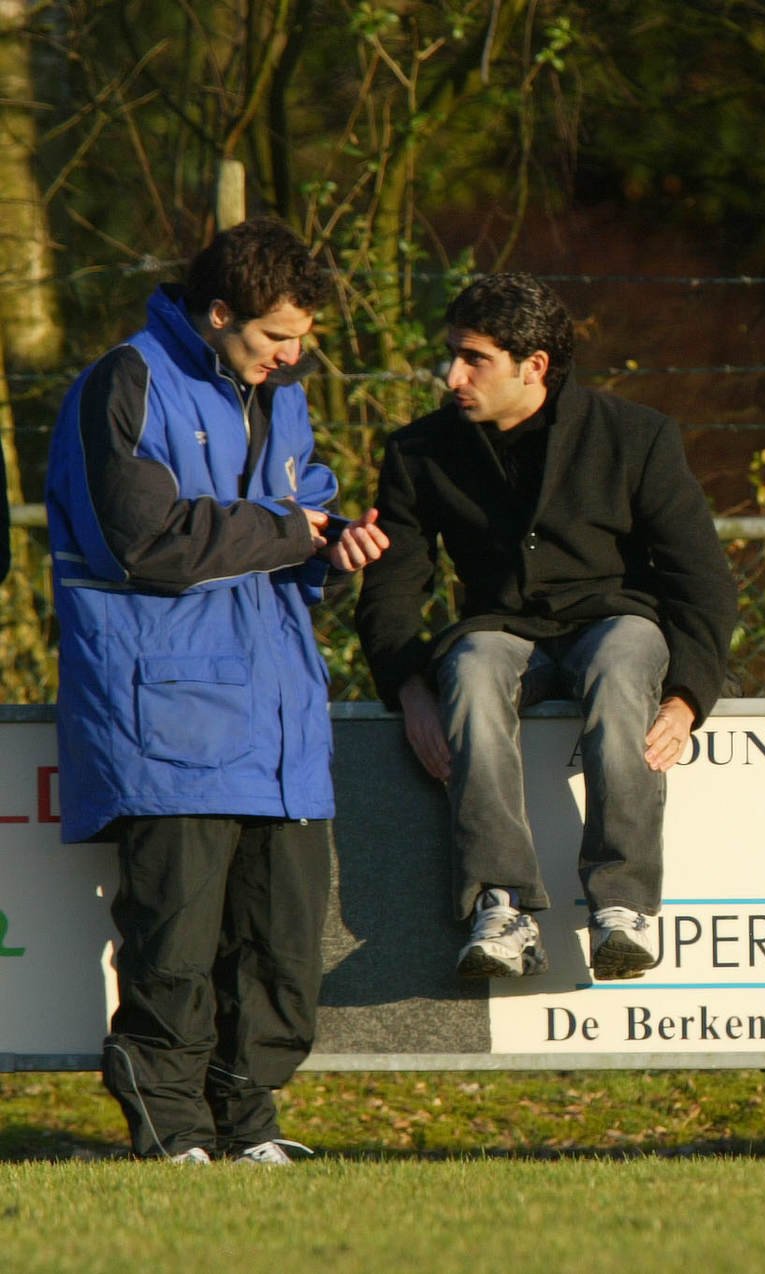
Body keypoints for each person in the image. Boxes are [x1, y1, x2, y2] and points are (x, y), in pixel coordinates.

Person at [45, 217, 388, 1163]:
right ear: (220, 312)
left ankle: (249, 1124)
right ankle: (173, 1128)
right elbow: (142, 540)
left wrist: (336, 540)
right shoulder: (127, 381)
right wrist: (293, 530)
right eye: (274, 337)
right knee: (175, 948)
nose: (290, 355)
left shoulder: (285, 396)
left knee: (281, 953)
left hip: (278, 714)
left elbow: (303, 504)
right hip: (168, 713)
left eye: (302, 340)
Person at [355, 273, 735, 984]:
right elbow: (395, 583)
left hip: (615, 620)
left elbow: (701, 579)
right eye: (452, 355)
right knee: (466, 669)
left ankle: (622, 907)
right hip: (499, 628)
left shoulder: (636, 436)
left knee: (625, 666)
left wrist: (687, 697)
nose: (451, 375)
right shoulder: (420, 451)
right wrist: (408, 688)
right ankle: (502, 908)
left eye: (474, 359)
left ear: (533, 367)